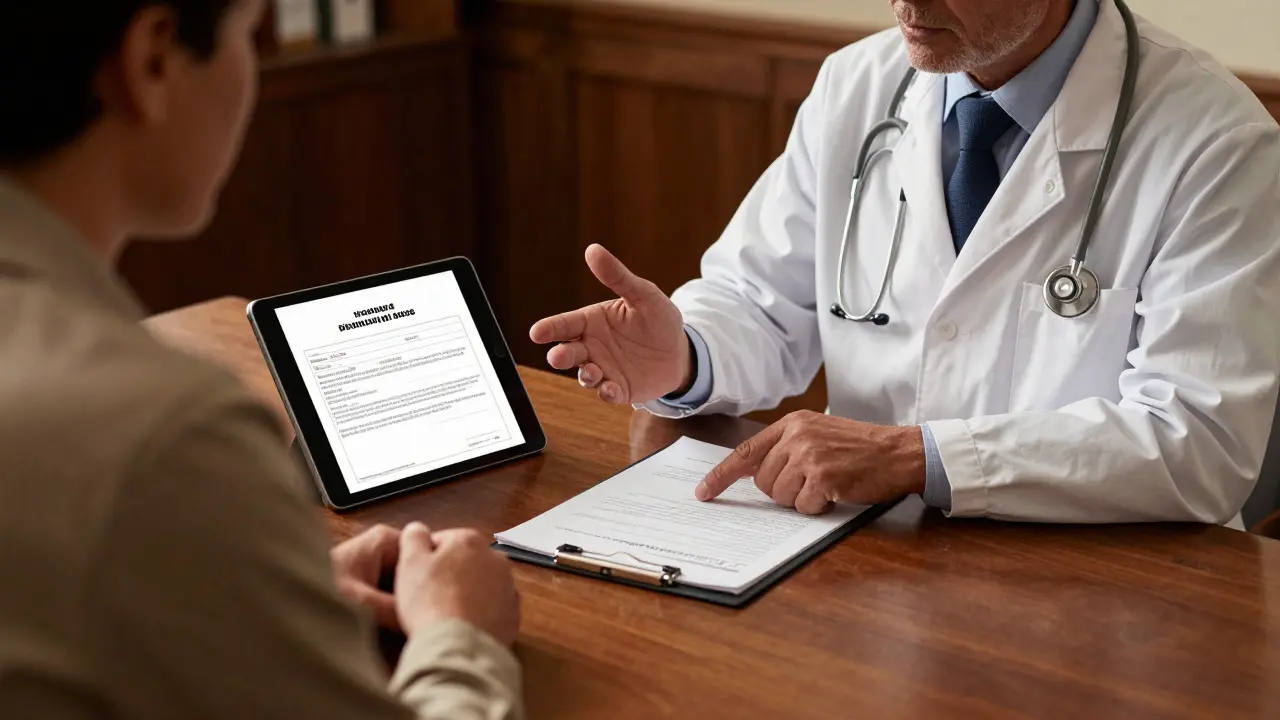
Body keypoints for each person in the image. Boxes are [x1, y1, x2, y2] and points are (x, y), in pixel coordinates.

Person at [531, 0, 1280, 526]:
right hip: (865, 560)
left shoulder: (1215, 142)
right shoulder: (856, 85)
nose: (906, 2)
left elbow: (1199, 442)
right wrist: (688, 355)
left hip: (1117, 599)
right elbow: (760, 299)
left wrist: (920, 458)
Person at [0, 2, 522, 718]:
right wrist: (462, 635)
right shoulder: (164, 433)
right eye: (249, 32)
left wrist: (237, 580)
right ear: (151, 60)